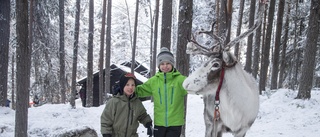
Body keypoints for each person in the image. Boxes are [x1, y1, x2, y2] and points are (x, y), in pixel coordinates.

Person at [135, 47, 188, 137]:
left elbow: (194, 86)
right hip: (159, 123)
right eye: (162, 63)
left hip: (175, 124)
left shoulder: (180, 80)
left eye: (168, 63)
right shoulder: (154, 81)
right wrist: (124, 88)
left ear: (172, 64)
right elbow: (140, 90)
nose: (165, 66)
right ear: (159, 65)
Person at [100, 73, 153, 137]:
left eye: (133, 85)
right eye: (127, 85)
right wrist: (106, 134)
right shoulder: (114, 102)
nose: (130, 87)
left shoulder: (137, 102)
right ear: (122, 86)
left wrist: (148, 124)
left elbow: (143, 115)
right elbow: (106, 120)